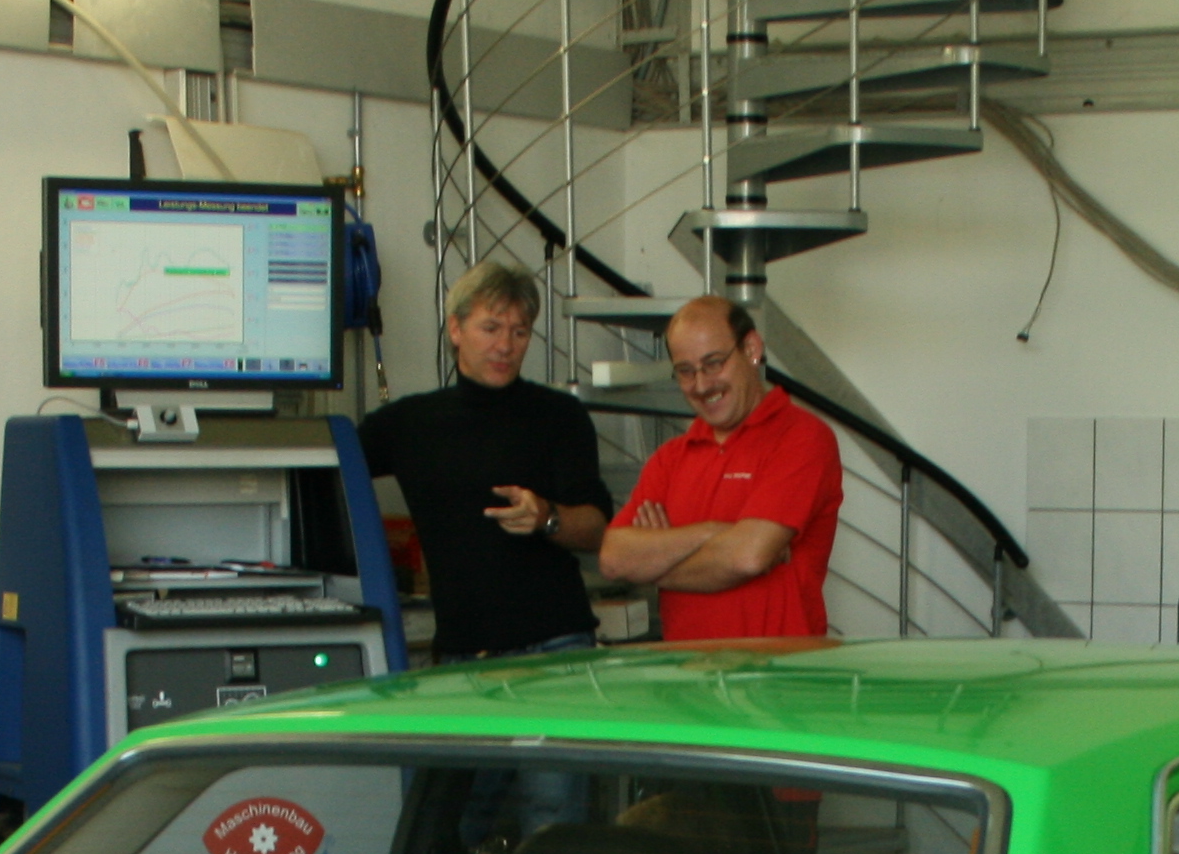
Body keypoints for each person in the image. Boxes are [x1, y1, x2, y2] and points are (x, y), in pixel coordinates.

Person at [354, 263, 610, 664]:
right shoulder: (408, 424)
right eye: (491, 328)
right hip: (463, 651)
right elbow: (326, 470)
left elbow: (597, 529)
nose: (505, 345)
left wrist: (546, 517)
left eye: (519, 332)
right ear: (456, 330)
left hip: (556, 644)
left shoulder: (560, 416)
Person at [598, 296, 842, 639]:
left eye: (713, 363)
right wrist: (714, 532)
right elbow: (613, 559)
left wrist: (655, 562)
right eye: (685, 371)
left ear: (751, 349)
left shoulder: (802, 437)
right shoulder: (670, 458)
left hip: (780, 668)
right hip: (689, 670)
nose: (701, 385)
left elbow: (747, 557)